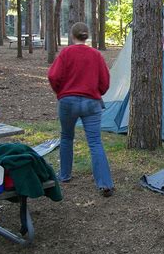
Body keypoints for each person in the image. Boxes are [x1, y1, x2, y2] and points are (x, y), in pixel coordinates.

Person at [48, 22, 114, 197]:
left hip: (68, 102)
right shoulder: (96, 55)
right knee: (95, 142)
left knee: (67, 137)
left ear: (72, 35)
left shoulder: (66, 53)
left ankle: (64, 175)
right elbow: (105, 81)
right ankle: (105, 184)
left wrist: (61, 92)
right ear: (87, 36)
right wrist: (96, 92)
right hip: (92, 103)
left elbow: (53, 76)